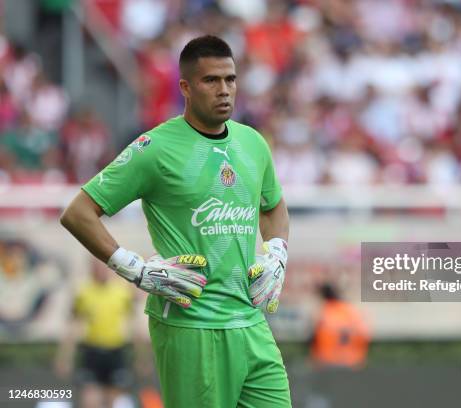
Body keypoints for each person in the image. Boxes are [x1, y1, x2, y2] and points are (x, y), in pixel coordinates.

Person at [60, 35, 291, 407]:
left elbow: (274, 206)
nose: (224, 90)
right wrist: (134, 268)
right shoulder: (155, 148)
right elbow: (78, 213)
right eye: (210, 80)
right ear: (185, 86)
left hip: (251, 322)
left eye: (230, 79)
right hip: (191, 324)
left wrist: (277, 252)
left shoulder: (253, 143)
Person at [55, 258, 135, 408]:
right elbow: (73, 325)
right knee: (90, 401)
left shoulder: (122, 292)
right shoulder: (83, 292)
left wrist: (142, 354)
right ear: (91, 269)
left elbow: (134, 323)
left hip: (115, 351)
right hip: (92, 351)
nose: (101, 271)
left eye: (104, 268)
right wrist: (65, 356)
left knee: (112, 401)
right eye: (97, 267)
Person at [310, 283, 369, 369]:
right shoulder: (351, 311)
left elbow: (315, 337)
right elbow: (364, 335)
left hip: (327, 362)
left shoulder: (325, 312)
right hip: (354, 362)